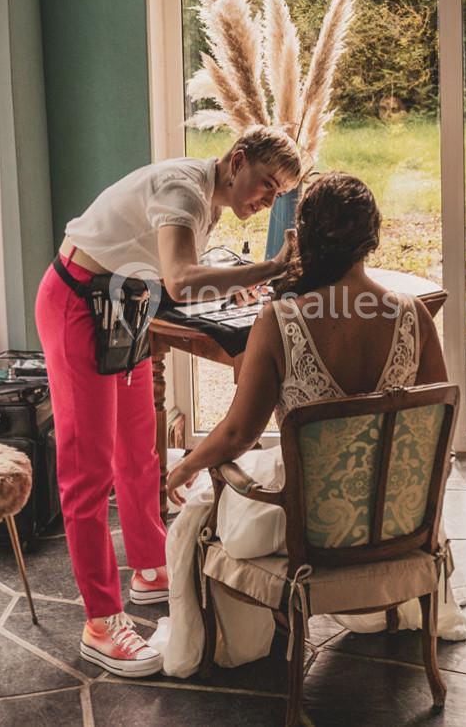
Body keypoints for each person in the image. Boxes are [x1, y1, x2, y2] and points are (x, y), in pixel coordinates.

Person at [155, 172, 466, 677]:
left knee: (198, 513)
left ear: (306, 235)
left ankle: (255, 634)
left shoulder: (280, 321)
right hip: (395, 518)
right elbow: (436, 428)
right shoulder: (415, 318)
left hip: (311, 526)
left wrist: (182, 466)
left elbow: (239, 435)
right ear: (372, 236)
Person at [35, 126, 302, 677]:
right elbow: (180, 282)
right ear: (238, 159)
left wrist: (233, 283)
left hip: (126, 306)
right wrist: (269, 268)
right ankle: (101, 621)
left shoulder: (209, 199)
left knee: (139, 454)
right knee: (86, 470)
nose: (266, 199)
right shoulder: (183, 190)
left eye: (278, 195)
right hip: (78, 304)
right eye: (266, 185)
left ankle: (152, 567)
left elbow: (166, 276)